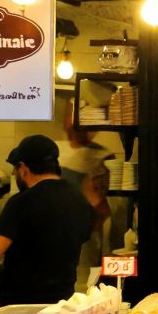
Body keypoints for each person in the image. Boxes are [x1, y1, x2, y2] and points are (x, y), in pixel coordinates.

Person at [0, 135, 96, 306]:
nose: (14, 173)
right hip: (63, 303)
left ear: (23, 168)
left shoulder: (22, 201)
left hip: (21, 307)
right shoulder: (78, 198)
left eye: (14, 168)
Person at [58, 112, 114, 289]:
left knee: (83, 282)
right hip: (59, 228)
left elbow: (102, 202)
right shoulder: (56, 150)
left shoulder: (102, 155)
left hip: (85, 229)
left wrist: (94, 224)